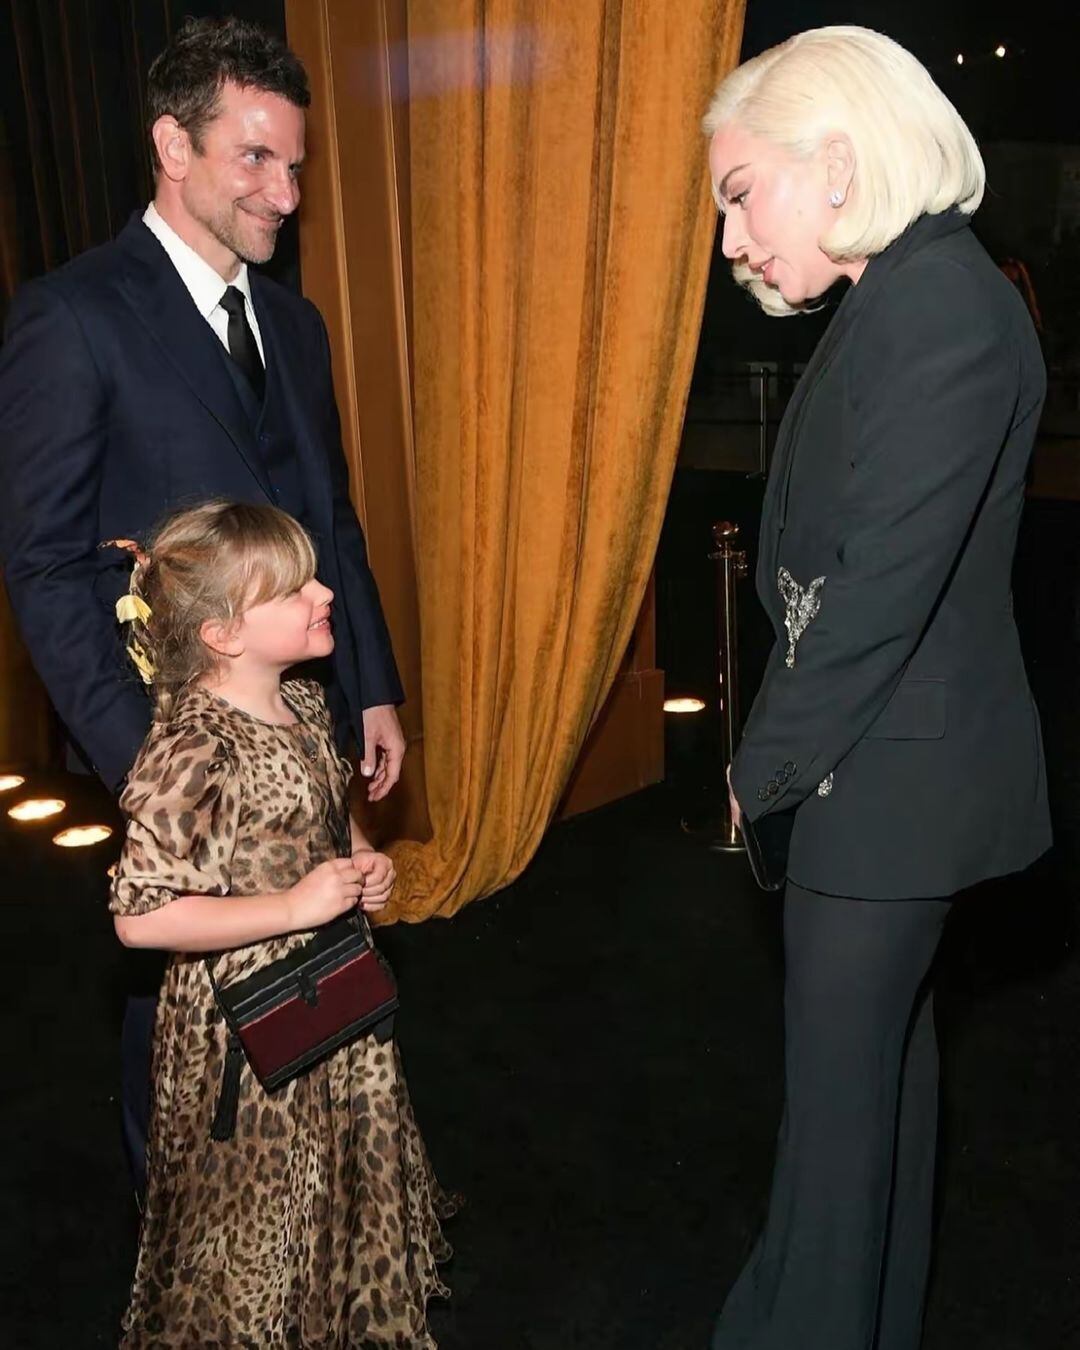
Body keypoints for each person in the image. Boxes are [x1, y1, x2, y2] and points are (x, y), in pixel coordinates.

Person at [0, 16, 406, 1195]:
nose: (286, 193)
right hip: (179, 747)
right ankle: (183, 1242)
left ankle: (306, 1218)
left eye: (295, 164)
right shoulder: (72, 317)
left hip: (307, 723)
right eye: (255, 158)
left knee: (312, 992)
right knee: (186, 1033)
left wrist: (373, 686)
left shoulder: (296, 324)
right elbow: (47, 566)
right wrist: (152, 770)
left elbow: (332, 520)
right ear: (172, 146)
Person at [705, 26, 1051, 1350]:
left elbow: (876, 594)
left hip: (885, 784)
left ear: (838, 166)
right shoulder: (910, 295)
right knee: (873, 1121)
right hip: (883, 777)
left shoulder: (936, 307)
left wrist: (759, 768)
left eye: (743, 194)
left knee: (837, 1151)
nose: (731, 240)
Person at [108, 500, 455, 1347]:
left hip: (333, 992)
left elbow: (323, 811)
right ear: (223, 634)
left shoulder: (302, 702)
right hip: (244, 1033)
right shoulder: (194, 749)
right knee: (253, 1232)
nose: (324, 593)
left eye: (314, 578)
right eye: (294, 588)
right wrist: (295, 907)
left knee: (336, 1186)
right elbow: (140, 918)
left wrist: (361, 857)